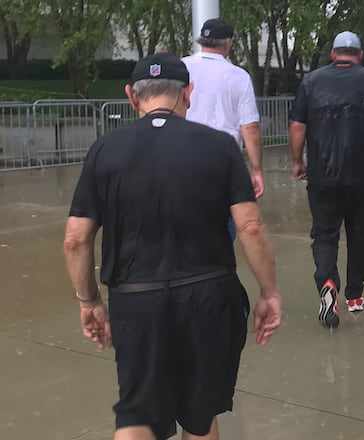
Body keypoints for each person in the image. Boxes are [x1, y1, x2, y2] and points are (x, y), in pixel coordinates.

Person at [63, 52, 282, 440]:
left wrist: (89, 302)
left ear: (132, 97)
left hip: (136, 302)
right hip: (208, 297)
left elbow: (76, 239)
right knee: (199, 417)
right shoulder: (219, 146)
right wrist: (269, 293)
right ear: (189, 94)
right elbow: (249, 225)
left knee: (137, 416)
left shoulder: (104, 150)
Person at [289, 31, 364, 330]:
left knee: (324, 234)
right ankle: (355, 294)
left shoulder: (311, 82)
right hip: (362, 175)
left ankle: (327, 281)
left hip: (323, 174)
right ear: (360, 55)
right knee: (359, 230)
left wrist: (298, 160)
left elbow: (297, 125)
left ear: (333, 53)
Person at [182, 18, 265, 200]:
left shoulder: (181, 68)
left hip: (182, 157)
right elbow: (250, 128)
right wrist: (256, 170)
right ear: (228, 43)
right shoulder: (239, 77)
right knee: (223, 221)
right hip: (223, 161)